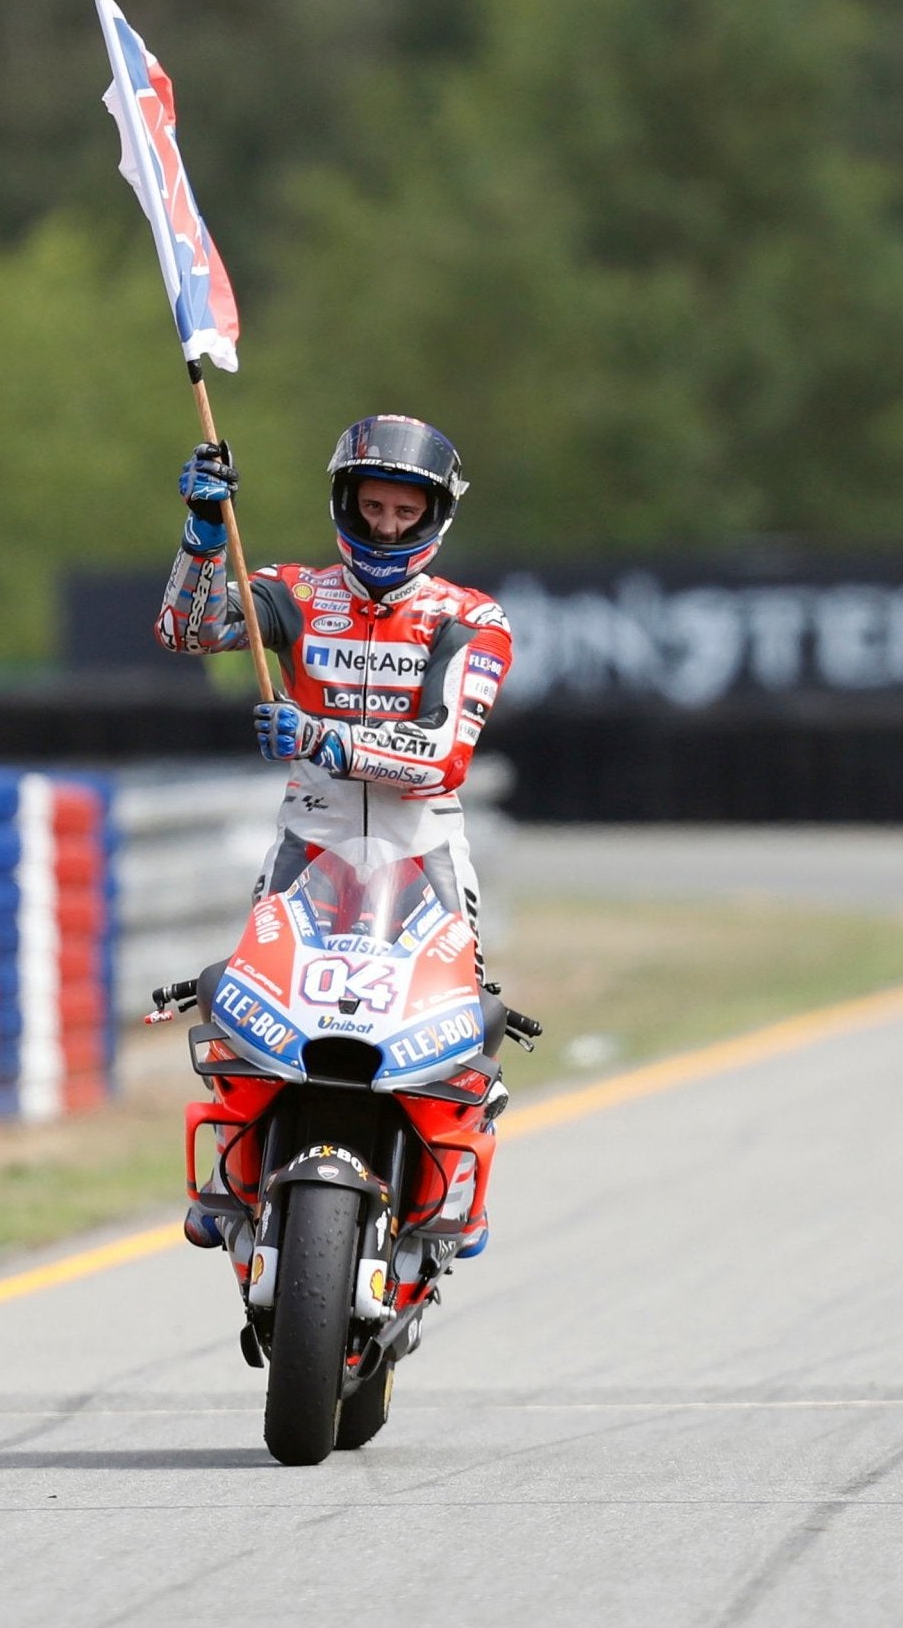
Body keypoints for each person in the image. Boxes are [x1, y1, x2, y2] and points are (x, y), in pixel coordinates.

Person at [156, 413, 515, 1257]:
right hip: (307, 845)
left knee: (462, 1016)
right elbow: (188, 630)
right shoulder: (295, 592)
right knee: (243, 993)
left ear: (435, 516)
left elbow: (442, 758)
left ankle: (453, 1179)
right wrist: (203, 536)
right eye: (371, 506)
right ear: (343, 503)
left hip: (423, 850)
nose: (386, 526)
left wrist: (327, 739)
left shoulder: (470, 619)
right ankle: (233, 1173)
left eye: (405, 511)